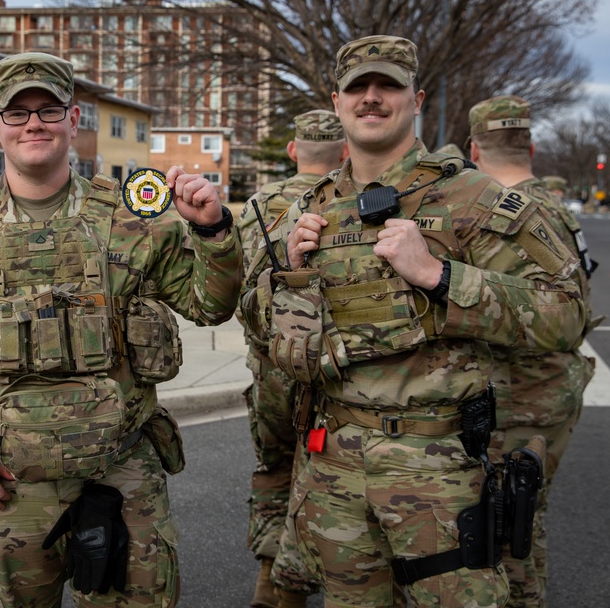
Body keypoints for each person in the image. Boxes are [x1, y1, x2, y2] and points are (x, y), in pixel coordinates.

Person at [240, 35, 585, 608]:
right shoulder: (308, 210)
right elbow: (256, 324)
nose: (371, 98)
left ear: (416, 98)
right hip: (333, 469)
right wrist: (287, 277)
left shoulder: (474, 198)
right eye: (358, 88)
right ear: (338, 100)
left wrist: (441, 277)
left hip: (441, 474)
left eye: (388, 86)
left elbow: (565, 313)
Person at [0, 51, 242, 607]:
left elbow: (209, 306)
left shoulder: (133, 223)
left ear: (74, 121)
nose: (34, 123)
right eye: (18, 111)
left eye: (49, 110)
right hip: (4, 487)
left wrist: (213, 231)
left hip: (121, 473)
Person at [468, 95, 599, 608]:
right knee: (526, 514)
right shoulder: (558, 211)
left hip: (518, 391)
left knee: (505, 523)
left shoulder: (502, 213)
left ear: (474, 150)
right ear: (533, 146)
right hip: (557, 387)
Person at [235, 109, 347, 608]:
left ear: (291, 149)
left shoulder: (260, 204)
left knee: (275, 468)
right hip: (324, 369)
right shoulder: (346, 200)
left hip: (268, 369)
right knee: (320, 475)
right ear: (344, 151)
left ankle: (273, 585)